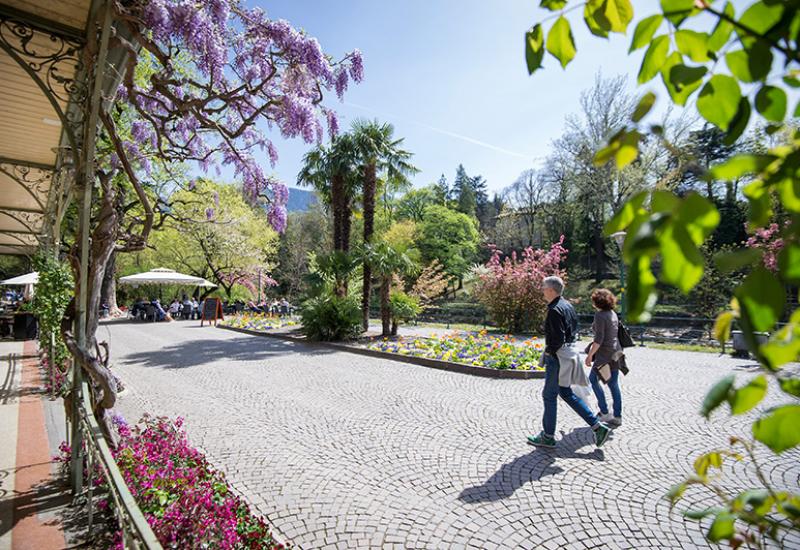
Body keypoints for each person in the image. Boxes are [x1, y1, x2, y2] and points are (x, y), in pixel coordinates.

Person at [528, 276, 611, 449]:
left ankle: (548, 437)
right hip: (568, 354)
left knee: (549, 396)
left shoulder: (554, 309)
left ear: (551, 290)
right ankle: (598, 427)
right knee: (565, 393)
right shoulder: (567, 305)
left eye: (543, 287)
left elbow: (557, 338)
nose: (542, 290)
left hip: (558, 357)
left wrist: (549, 353)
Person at [585, 289, 623, 427]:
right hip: (616, 353)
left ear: (597, 302)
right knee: (613, 384)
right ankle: (617, 416)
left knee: (593, 379)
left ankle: (604, 411)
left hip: (604, 355)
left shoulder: (600, 315)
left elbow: (599, 339)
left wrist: (589, 356)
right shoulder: (613, 314)